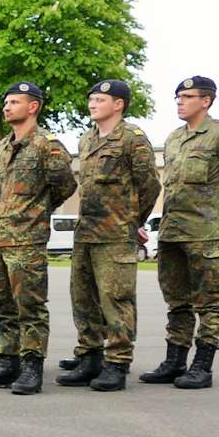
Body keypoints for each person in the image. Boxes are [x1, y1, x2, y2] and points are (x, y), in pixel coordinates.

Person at [140, 76, 219, 389]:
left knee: (209, 302)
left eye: (188, 96)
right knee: (177, 301)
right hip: (173, 231)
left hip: (205, 232)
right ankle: (175, 361)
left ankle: (203, 365)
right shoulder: (174, 138)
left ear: (206, 100)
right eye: (178, 96)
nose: (180, 101)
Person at [54, 80, 160, 392]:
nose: (92, 104)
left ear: (119, 104)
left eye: (100, 99)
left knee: (116, 299)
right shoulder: (87, 139)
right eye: (91, 99)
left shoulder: (132, 138)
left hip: (116, 234)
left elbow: (150, 184)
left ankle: (118, 362)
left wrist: (132, 219)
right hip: (86, 232)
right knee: (83, 298)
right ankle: (90, 356)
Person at [0, 82, 77, 395]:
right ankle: (7, 359)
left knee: (30, 306)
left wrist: (37, 209)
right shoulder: (3, 146)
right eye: (6, 102)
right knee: (0, 303)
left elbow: (65, 185)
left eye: (15, 102)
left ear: (33, 106)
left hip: (26, 239)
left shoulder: (48, 145)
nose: (7, 107)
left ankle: (32, 364)